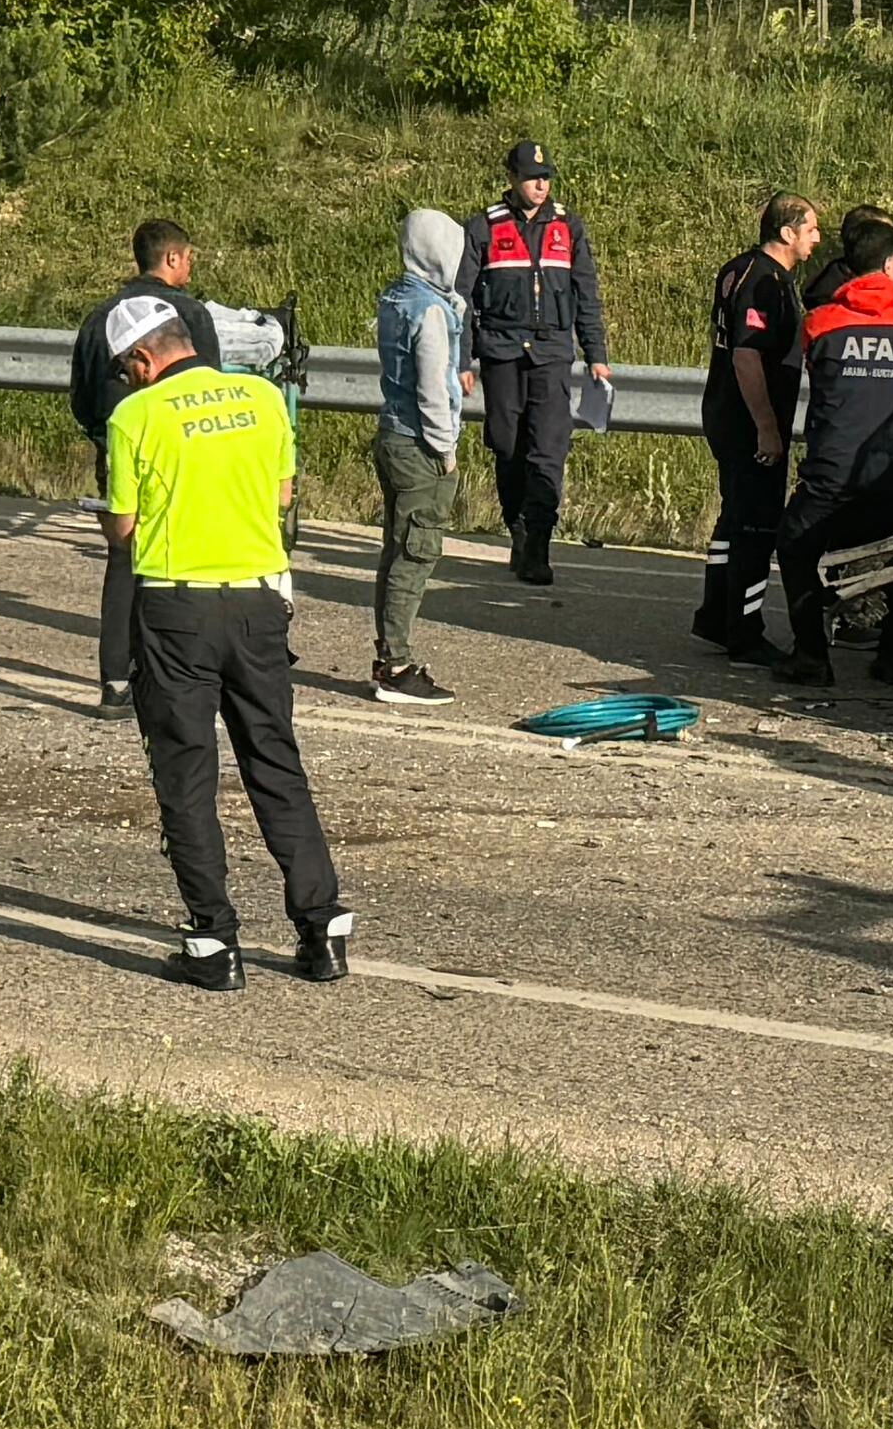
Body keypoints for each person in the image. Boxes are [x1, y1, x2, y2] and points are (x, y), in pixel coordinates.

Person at [98, 319, 348, 991]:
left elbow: (123, 528)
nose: (127, 380)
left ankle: (213, 941)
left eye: (126, 369)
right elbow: (284, 493)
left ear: (144, 358)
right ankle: (322, 928)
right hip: (259, 602)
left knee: (186, 776)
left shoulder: (134, 415)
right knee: (275, 762)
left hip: (177, 609)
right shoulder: (262, 397)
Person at [780, 210, 893, 687]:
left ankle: (812, 656)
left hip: (830, 471)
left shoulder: (819, 323)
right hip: (891, 471)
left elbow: (818, 379)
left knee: (797, 547)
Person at [69, 222, 224, 707]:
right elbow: (209, 387)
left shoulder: (100, 317)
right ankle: (178, 675)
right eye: (190, 256)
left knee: (124, 561)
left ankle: (115, 682)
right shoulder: (189, 314)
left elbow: (81, 397)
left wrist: (106, 438)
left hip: (119, 451)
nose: (192, 266)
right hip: (184, 454)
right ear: (173, 259)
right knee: (183, 563)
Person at [456, 141, 613, 587]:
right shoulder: (484, 227)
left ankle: (538, 545)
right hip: (502, 353)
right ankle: (518, 530)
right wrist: (465, 357)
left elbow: (586, 294)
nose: (540, 185)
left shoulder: (569, 227)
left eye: (546, 177)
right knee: (507, 446)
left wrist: (596, 355)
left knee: (548, 450)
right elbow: (463, 299)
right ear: (512, 178)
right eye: (531, 177)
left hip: (552, 354)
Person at [694, 195, 822, 661]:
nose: (817, 239)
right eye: (811, 229)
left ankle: (714, 615)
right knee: (756, 525)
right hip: (748, 420)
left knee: (733, 517)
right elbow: (746, 356)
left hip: (726, 411)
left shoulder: (737, 268)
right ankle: (744, 632)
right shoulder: (765, 282)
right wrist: (768, 429)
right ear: (787, 233)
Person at [365, 209, 474, 708]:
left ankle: (391, 655)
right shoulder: (430, 311)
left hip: (393, 434)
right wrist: (446, 448)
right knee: (416, 553)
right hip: (419, 445)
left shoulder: (398, 296)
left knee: (396, 551)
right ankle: (397, 666)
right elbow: (434, 387)